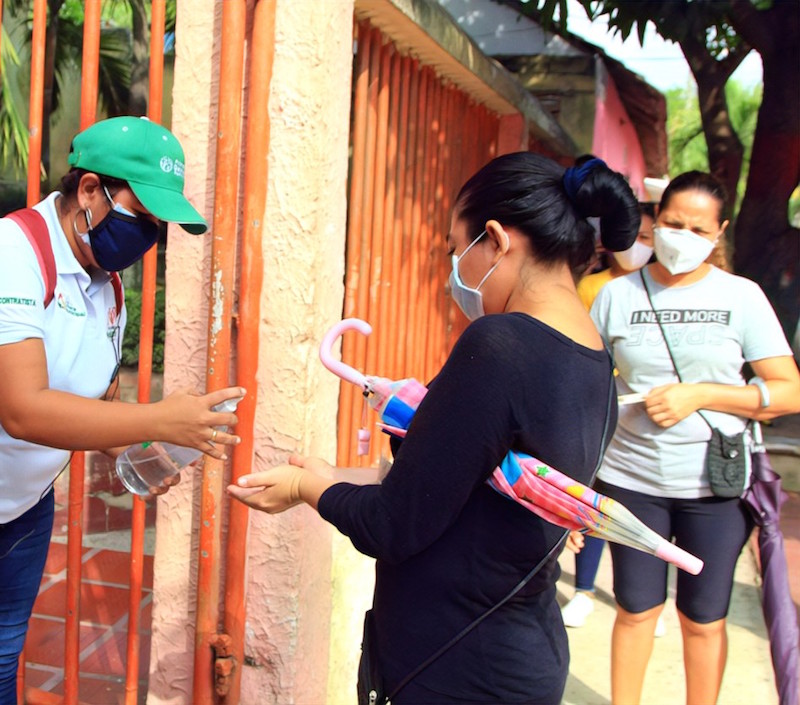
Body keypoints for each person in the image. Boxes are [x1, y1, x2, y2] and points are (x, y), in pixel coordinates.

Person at [0, 116, 245, 703]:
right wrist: (158, 417)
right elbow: (25, 411)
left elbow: (92, 402)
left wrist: (141, 447)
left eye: (158, 226)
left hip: (19, 508)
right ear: (89, 190)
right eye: (143, 216)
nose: (149, 237)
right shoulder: (5, 255)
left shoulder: (104, 282)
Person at [228, 152, 639, 703]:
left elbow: (393, 526)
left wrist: (311, 485)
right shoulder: (594, 357)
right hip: (521, 650)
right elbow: (490, 491)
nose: (454, 271)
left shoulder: (500, 346)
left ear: (495, 240)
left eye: (456, 249)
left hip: (457, 665)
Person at [589, 171, 800, 705]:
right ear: (655, 222)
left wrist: (700, 393)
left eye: (697, 228)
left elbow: (789, 391)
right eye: (673, 223)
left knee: (703, 620)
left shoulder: (742, 297)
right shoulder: (616, 296)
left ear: (719, 231)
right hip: (631, 481)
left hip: (715, 487)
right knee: (635, 611)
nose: (683, 235)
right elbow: (585, 390)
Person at [561, 198, 657, 630]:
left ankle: (647, 600)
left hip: (647, 418)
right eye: (634, 237)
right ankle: (583, 590)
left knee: (644, 514)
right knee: (594, 503)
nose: (638, 246)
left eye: (647, 239)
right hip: (601, 408)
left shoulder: (663, 295)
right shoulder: (593, 288)